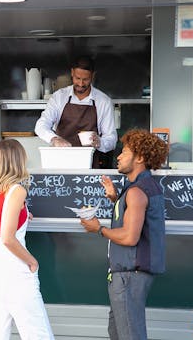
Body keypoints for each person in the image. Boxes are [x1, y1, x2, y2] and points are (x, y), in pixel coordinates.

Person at [79, 129, 169, 340]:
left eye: (125, 152)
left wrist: (98, 229)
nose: (118, 156)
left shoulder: (137, 192)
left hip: (129, 276)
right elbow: (135, 219)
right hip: (127, 275)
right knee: (118, 334)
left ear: (140, 158)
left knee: (129, 335)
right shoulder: (139, 189)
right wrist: (115, 199)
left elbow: (130, 237)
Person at [0, 139, 54, 340]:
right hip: (15, 273)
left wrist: (23, 213)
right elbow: (7, 238)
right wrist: (32, 261)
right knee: (38, 334)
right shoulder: (17, 190)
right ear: (18, 160)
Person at [34, 55, 117, 168]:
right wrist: (54, 139)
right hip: (60, 163)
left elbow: (111, 139)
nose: (81, 84)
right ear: (72, 73)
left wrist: (99, 142)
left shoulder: (103, 101)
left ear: (92, 76)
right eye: (78, 78)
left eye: (86, 79)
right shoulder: (59, 97)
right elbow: (41, 125)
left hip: (91, 166)